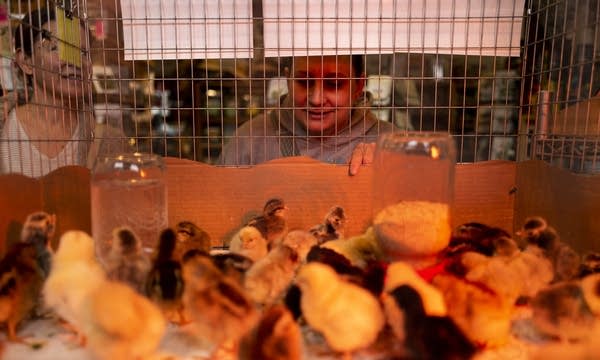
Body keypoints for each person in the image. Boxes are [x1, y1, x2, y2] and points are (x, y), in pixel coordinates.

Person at [0, 7, 129, 178]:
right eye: (55, 48)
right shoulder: (5, 130)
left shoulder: (109, 141)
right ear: (26, 62)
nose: (74, 62)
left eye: (82, 52)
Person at [218, 55, 397, 175]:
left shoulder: (392, 143)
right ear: (288, 80)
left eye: (334, 83)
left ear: (358, 86)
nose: (317, 99)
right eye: (304, 82)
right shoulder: (249, 141)